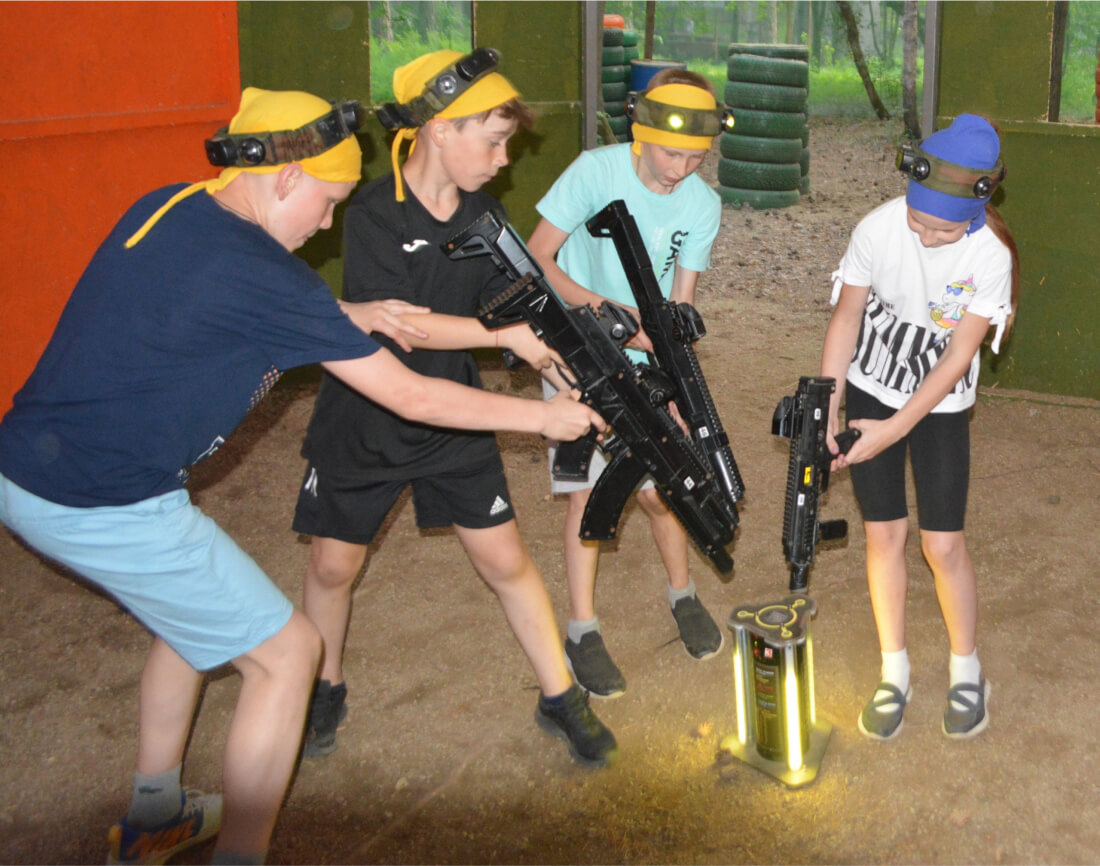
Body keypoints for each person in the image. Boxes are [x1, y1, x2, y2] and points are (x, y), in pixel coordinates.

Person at [0, 87, 604, 866]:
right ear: (286, 178)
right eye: (326, 204)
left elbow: (235, 303)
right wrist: (542, 420)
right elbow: (413, 395)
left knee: (191, 623)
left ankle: (156, 812)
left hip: (30, 463)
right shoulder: (266, 275)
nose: (325, 227)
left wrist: (352, 315)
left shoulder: (172, 206)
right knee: (288, 655)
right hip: (106, 500)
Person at [293, 50, 619, 768]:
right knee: (333, 566)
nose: (504, 160)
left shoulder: (485, 216)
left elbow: (523, 309)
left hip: (456, 412)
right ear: (440, 130)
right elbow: (400, 324)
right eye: (494, 141)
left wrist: (574, 366)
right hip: (367, 413)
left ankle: (559, 695)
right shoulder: (374, 213)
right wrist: (504, 338)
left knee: (506, 559)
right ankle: (323, 685)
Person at [526, 69, 727, 699]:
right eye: (670, 155)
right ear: (640, 135)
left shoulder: (702, 205)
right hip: (574, 352)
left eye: (695, 159)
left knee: (664, 489)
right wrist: (608, 316)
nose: (680, 170)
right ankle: (582, 629)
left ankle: (684, 594)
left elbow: (680, 307)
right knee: (588, 496)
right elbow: (537, 257)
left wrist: (680, 387)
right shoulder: (595, 172)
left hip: (644, 357)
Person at [819, 114, 1018, 741]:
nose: (928, 238)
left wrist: (891, 430)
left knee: (942, 544)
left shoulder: (990, 256)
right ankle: (894, 671)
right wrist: (829, 403)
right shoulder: (878, 228)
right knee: (884, 535)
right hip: (871, 387)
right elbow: (847, 318)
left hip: (940, 405)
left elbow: (957, 357)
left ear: (977, 211)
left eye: (944, 230)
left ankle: (966, 669)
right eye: (918, 221)